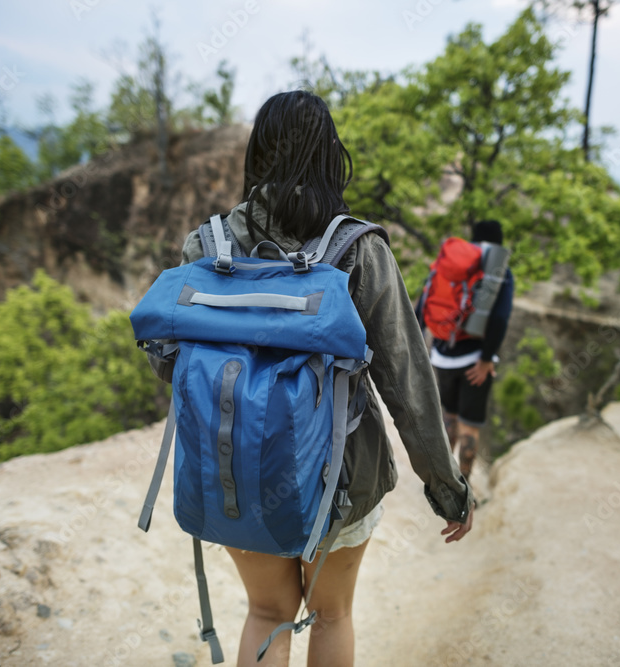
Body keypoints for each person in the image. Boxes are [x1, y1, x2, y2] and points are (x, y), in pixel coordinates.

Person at [178, 91, 475, 667]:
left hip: (233, 472)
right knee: (332, 614)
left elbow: (173, 360)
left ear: (259, 152)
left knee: (267, 614)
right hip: (339, 478)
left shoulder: (206, 245)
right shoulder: (357, 249)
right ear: (329, 156)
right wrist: (446, 487)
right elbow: (406, 381)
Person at [417, 220, 515, 480]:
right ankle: (463, 487)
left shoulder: (449, 261)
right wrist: (485, 359)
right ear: (499, 241)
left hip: (441, 355)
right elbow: (500, 318)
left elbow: (423, 303)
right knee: (469, 426)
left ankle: (442, 480)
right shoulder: (497, 270)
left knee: (449, 418)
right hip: (474, 362)